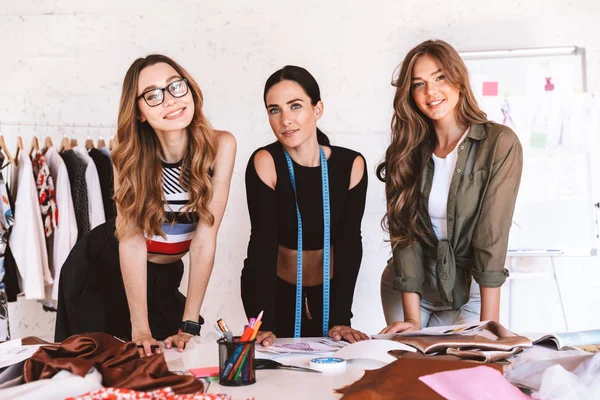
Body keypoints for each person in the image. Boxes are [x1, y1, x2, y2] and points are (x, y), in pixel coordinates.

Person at [55, 54, 236, 356]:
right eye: (152, 95)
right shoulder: (125, 155)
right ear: (138, 112)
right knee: (100, 366)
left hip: (163, 276)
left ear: (189, 89)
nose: (169, 101)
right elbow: (132, 243)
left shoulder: (221, 146)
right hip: (103, 267)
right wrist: (140, 329)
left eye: (176, 86)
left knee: (169, 361)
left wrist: (189, 323)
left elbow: (205, 241)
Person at [377, 40, 523, 334]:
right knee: (410, 368)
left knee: (462, 370)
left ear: (459, 78)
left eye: (440, 77)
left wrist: (488, 326)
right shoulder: (404, 152)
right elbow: (404, 238)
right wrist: (413, 322)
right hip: (410, 284)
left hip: (470, 287)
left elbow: (491, 235)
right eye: (419, 84)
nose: (431, 92)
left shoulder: (499, 143)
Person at [242, 65, 369, 345]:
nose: (285, 120)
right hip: (274, 293)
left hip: (330, 292)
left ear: (318, 109)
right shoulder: (265, 162)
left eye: (295, 106)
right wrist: (263, 320)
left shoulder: (351, 165)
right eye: (274, 110)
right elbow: (262, 245)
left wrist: (341, 318)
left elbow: (349, 244)